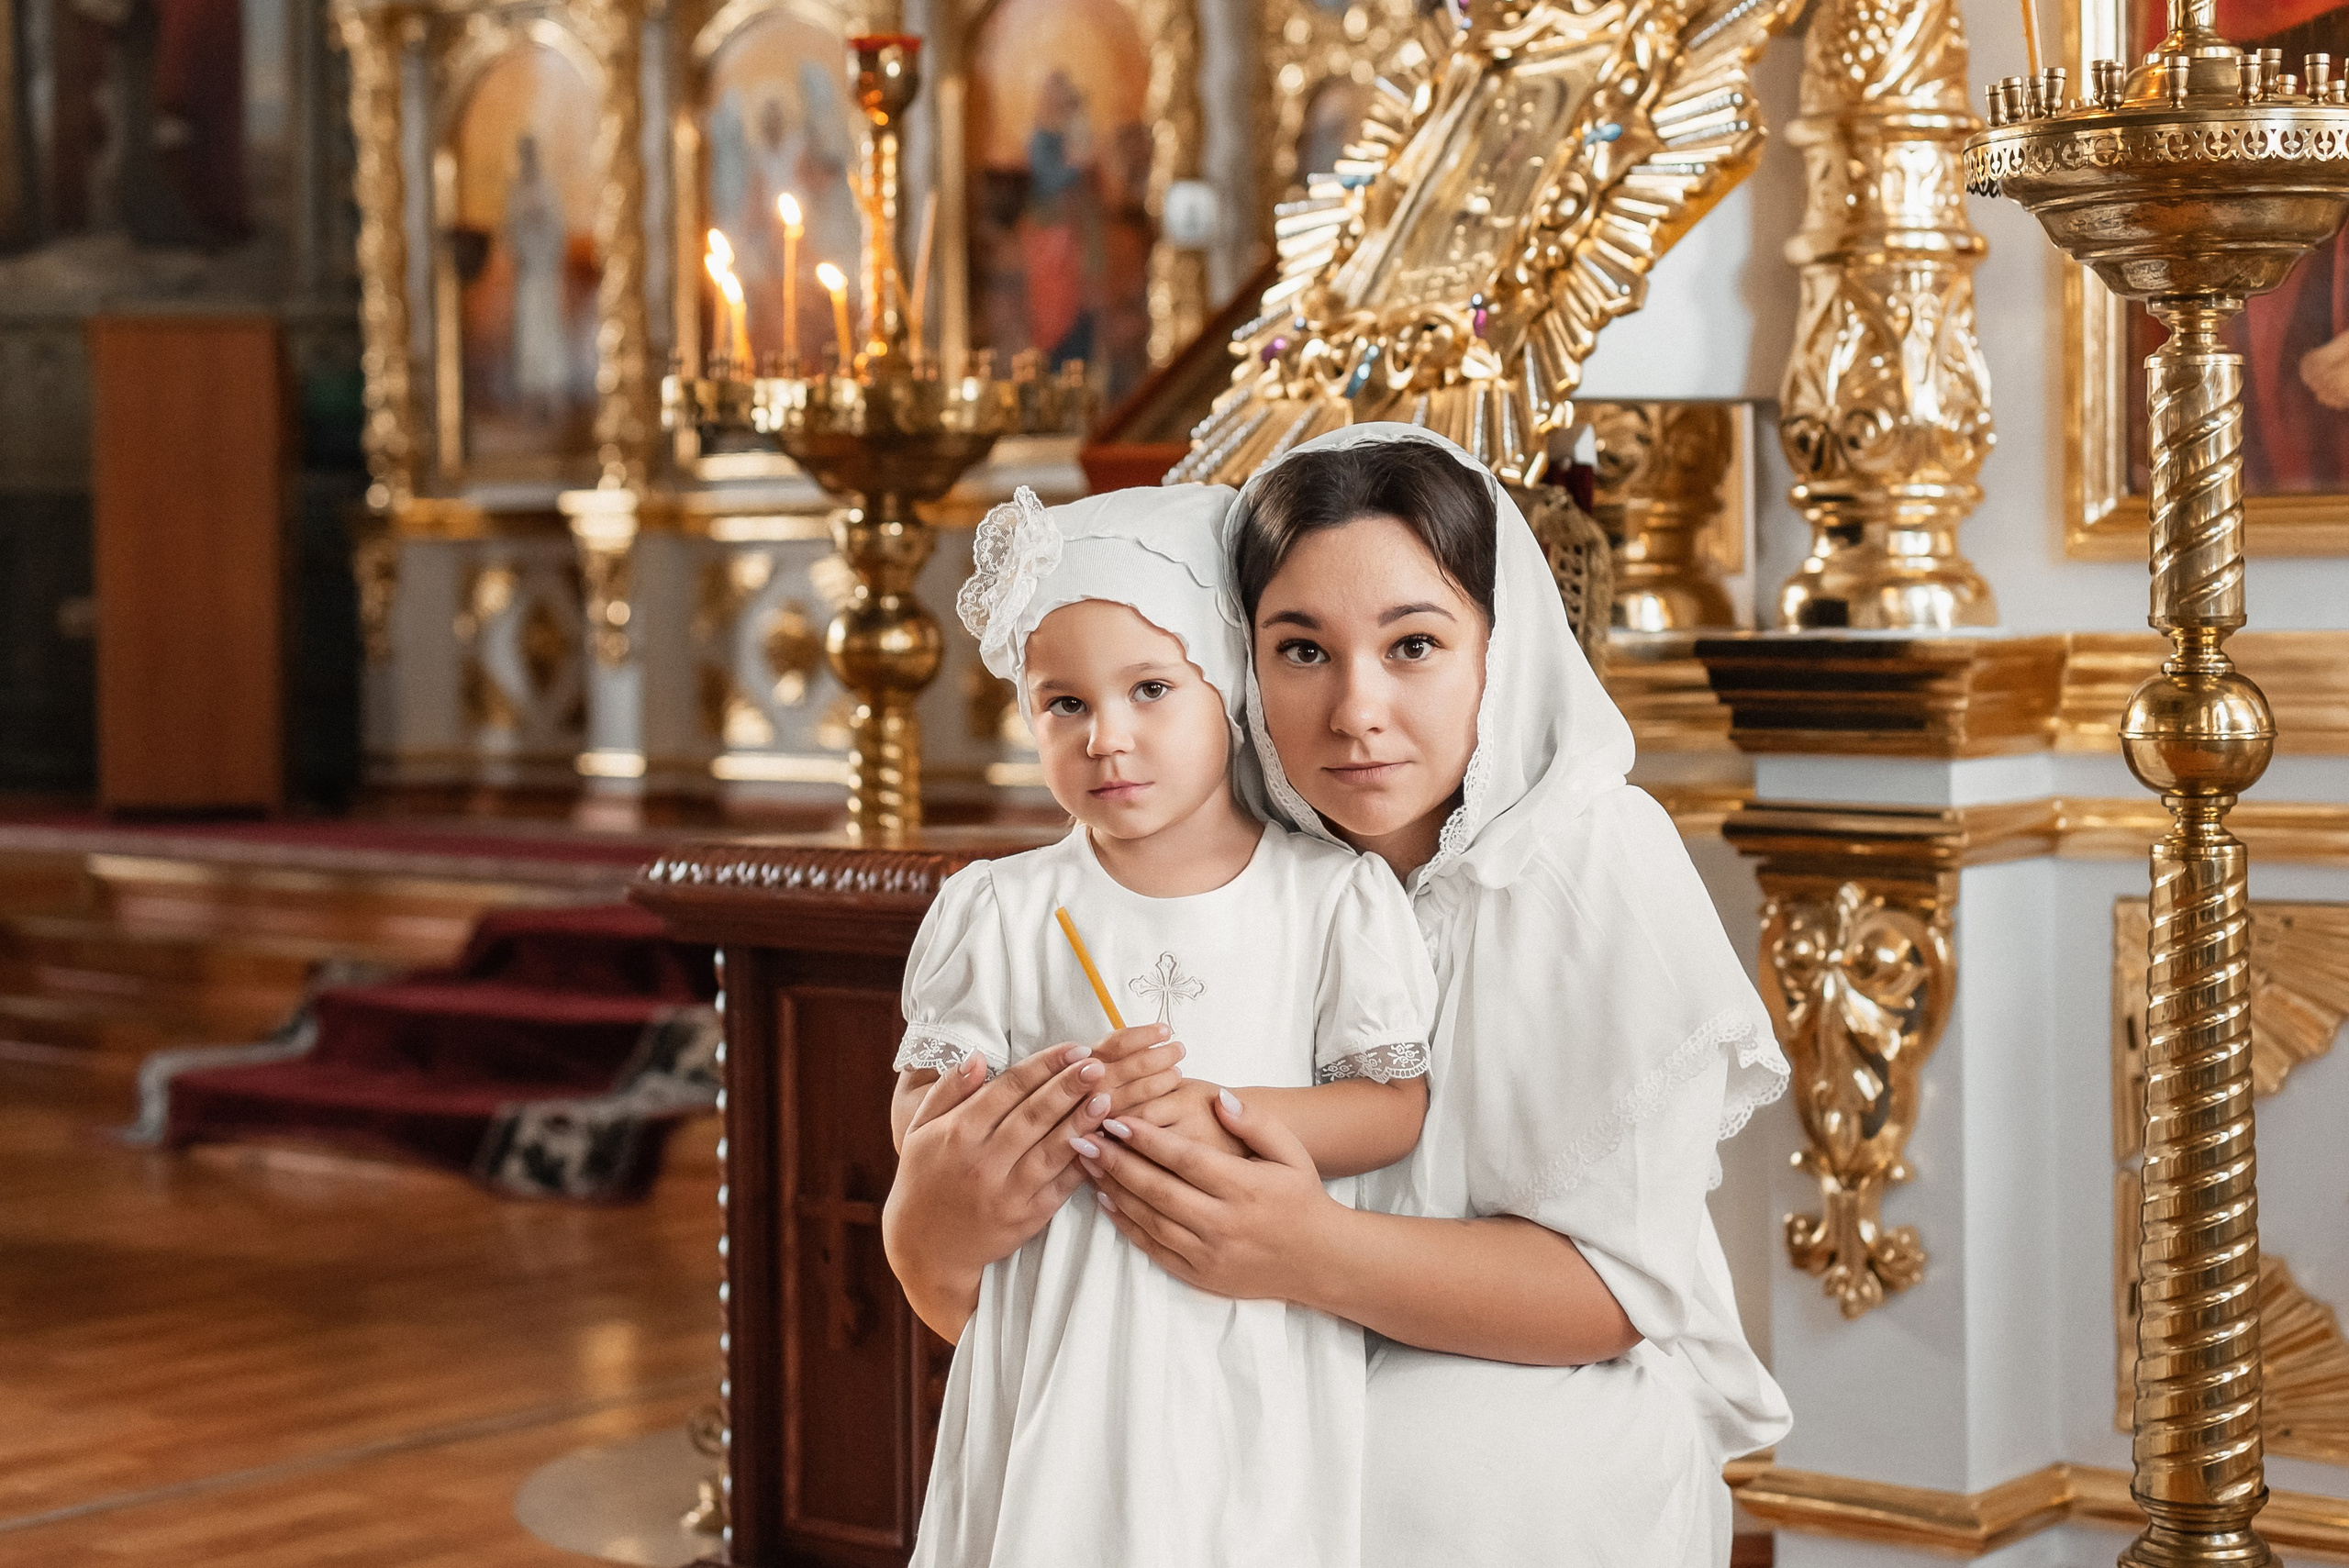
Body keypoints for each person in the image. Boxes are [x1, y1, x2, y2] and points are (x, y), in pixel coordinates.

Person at [888, 424, 1791, 1567]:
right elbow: (1040, 1280)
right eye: (1300, 650)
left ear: (1497, 652)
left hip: (1535, 1377)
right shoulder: (1214, 872)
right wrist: (933, 1217)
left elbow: (1617, 1294)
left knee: (1383, 1485)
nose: (1355, 709)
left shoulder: (1589, 861)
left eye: (1414, 644)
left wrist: (1305, 1250)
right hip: (1261, 1340)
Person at [889, 482, 1437, 1568]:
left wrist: (1215, 1113)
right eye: (1064, 704)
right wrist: (999, 1118)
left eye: (1149, 688)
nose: (1108, 738)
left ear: (1225, 689)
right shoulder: (998, 907)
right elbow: (924, 1105)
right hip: (1060, 1323)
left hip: (1247, 1318)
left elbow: (1390, 1106)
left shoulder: (1329, 896)